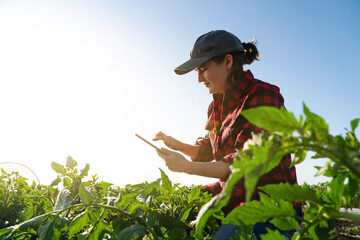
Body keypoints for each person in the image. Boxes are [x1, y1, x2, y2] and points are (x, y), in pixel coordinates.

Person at [153, 30, 300, 239]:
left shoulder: (264, 95)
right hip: (232, 198)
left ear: (228, 61)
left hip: (269, 205)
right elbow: (209, 151)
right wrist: (177, 145)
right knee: (175, 216)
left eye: (203, 69)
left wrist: (187, 167)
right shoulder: (216, 104)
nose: (199, 79)